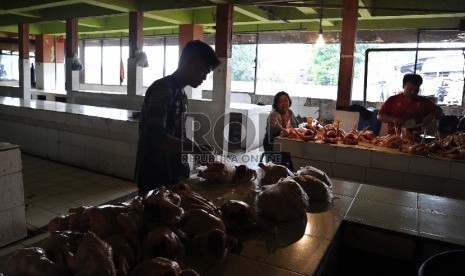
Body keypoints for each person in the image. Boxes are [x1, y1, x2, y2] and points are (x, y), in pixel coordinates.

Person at [135, 40, 220, 196]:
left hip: (174, 176)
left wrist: (198, 148)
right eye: (203, 71)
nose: (205, 77)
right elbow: (156, 137)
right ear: (189, 63)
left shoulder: (181, 93)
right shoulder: (163, 89)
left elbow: (176, 135)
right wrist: (194, 150)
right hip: (156, 178)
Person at [377, 73, 442, 134]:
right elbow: (380, 116)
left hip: (416, 137)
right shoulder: (393, 99)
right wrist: (393, 119)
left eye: (416, 90)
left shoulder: (424, 101)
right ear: (403, 86)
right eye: (410, 89)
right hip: (394, 136)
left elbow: (439, 111)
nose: (413, 92)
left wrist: (431, 115)